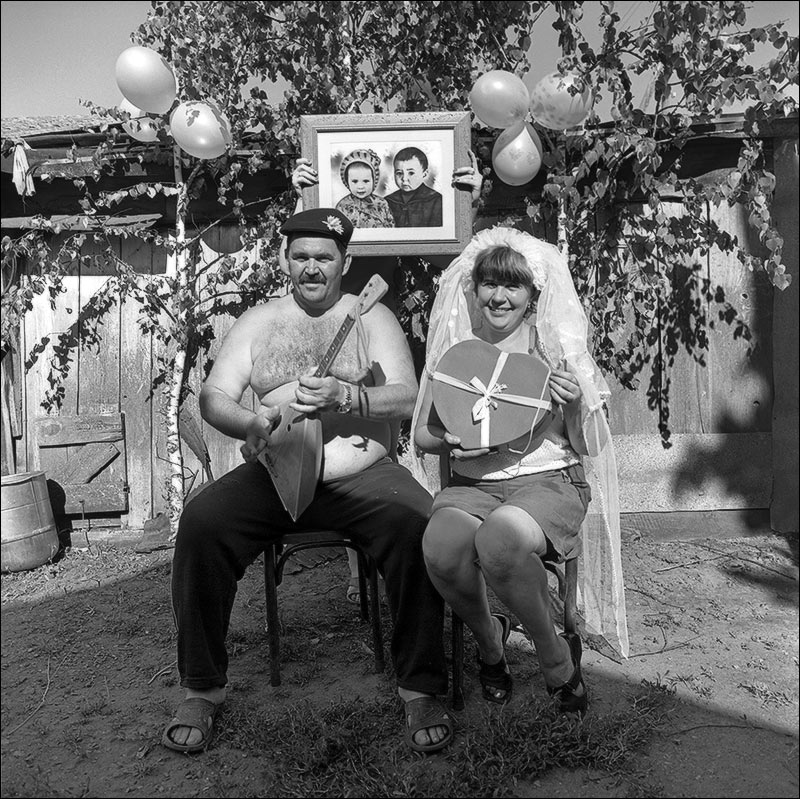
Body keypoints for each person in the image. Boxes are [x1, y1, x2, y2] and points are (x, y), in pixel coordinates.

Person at [162, 207, 454, 755]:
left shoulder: (372, 317)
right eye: (300, 257)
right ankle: (201, 688)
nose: (312, 267)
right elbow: (213, 396)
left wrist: (349, 396)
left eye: (324, 257)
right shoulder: (259, 321)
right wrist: (250, 423)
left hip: (363, 476)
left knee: (419, 524)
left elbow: (408, 396)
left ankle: (419, 687)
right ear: (284, 259)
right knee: (201, 522)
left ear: (345, 261)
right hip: (276, 473)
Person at [412, 226, 629, 712]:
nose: (499, 296)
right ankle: (491, 642)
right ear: (474, 288)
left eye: (513, 285)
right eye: (490, 283)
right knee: (441, 547)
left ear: (532, 294)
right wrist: (447, 438)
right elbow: (423, 433)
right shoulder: (456, 353)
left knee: (500, 541)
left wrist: (575, 405)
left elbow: (592, 445)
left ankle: (553, 656)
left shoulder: (555, 354)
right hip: (473, 486)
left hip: (549, 484)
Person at [291, 156, 484, 605]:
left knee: (384, 447)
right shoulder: (329, 211)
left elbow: (454, 255)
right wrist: (302, 196)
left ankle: (394, 565)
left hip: (382, 328)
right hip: (327, 329)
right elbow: (300, 251)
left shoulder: (389, 208)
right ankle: (359, 570)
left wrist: (467, 202)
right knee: (337, 437)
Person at [335, 148, 395, 228]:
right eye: (355, 181)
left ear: (374, 181)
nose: (360, 186)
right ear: (347, 181)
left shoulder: (381, 203)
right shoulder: (342, 206)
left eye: (366, 181)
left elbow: (390, 226)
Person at [385, 146, 443, 227]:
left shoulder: (436, 200)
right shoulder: (387, 201)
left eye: (411, 173)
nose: (404, 179)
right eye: (399, 173)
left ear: (424, 174)